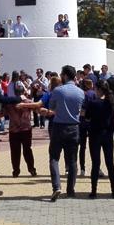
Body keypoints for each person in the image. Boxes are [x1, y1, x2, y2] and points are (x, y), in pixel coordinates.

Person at [45, 65, 84, 201]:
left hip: (59, 127)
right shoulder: (80, 92)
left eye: (62, 74)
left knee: (54, 158)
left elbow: (51, 107)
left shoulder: (58, 90)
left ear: (65, 75)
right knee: (72, 160)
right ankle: (70, 190)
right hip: (74, 127)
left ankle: (56, 186)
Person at [83, 79, 114, 198]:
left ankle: (94, 191)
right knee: (110, 163)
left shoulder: (93, 103)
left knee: (96, 163)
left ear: (98, 89)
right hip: (108, 134)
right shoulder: (111, 102)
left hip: (95, 134)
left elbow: (87, 117)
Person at [5, 84, 37, 178]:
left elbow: (2, 113)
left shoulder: (9, 103)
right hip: (26, 129)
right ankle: (31, 169)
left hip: (14, 129)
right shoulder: (28, 102)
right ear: (23, 92)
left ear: (15, 93)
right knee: (27, 150)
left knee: (15, 151)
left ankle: (16, 171)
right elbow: (37, 109)